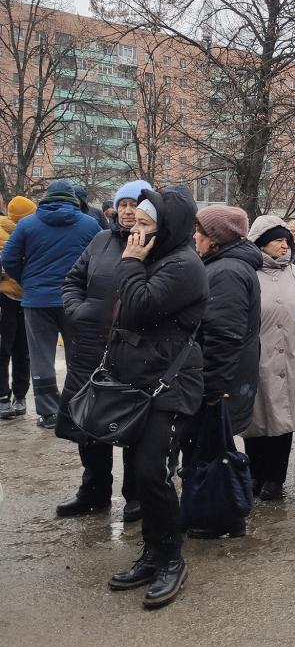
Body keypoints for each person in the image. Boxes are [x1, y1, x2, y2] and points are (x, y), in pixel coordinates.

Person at [104, 187, 207, 609]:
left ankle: (171, 559)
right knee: (143, 469)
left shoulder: (183, 265)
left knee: (153, 471)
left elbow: (141, 304)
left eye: (145, 225)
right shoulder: (159, 257)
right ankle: (153, 552)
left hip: (170, 383)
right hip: (142, 379)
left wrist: (130, 262)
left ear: (168, 229)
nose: (135, 232)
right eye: (135, 223)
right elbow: (126, 310)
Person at [57, 179, 151, 520]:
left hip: (134, 352)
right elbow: (72, 280)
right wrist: (77, 310)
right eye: (123, 204)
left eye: (135, 205)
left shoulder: (156, 246)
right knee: (89, 425)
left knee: (133, 425)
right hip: (91, 350)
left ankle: (136, 496)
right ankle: (94, 491)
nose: (128, 211)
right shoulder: (100, 240)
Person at [180, 206, 262, 540]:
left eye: (200, 231)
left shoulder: (226, 272)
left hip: (218, 382)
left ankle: (218, 516)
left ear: (215, 239)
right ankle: (219, 515)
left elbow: (224, 336)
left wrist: (212, 388)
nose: (194, 237)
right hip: (222, 379)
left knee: (212, 454)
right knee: (213, 450)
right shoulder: (222, 265)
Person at [1, 179, 101, 427]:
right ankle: (78, 410)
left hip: (36, 300)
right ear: (73, 199)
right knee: (78, 356)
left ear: (46, 198)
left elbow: (9, 258)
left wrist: (28, 280)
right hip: (76, 299)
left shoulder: (27, 224)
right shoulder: (90, 225)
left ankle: (48, 413)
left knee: (41, 357)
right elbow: (102, 258)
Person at [243, 215, 295, 501]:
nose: (284, 246)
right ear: (261, 244)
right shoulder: (248, 271)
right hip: (258, 357)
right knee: (256, 420)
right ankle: (254, 474)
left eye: (287, 241)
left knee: (282, 421)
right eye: (277, 241)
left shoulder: (294, 272)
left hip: (289, 355)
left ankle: (275, 478)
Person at [0, 196, 36, 420]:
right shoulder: (29, 232)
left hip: (10, 297)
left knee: (8, 349)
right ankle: (13, 397)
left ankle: (7, 397)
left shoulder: (29, 232)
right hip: (19, 297)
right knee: (18, 350)